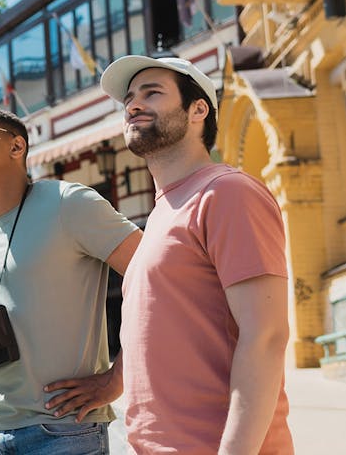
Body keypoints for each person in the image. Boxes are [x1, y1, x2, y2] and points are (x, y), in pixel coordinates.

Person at [99, 55, 293, 453]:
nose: (133, 105)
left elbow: (266, 336)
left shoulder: (227, 192)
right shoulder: (161, 213)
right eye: (129, 98)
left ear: (198, 110)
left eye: (152, 93)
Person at [0, 107, 141, 454]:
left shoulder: (69, 203)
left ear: (16, 146)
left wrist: (117, 379)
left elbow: (155, 276)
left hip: (63, 431)